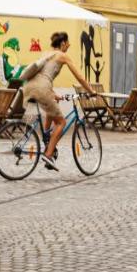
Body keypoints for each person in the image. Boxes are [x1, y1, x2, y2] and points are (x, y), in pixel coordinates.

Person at [22, 31, 97, 171]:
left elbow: (42, 75)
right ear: (63, 43)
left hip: (29, 86)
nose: (68, 46)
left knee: (52, 109)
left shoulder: (46, 53)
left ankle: (46, 139)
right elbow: (80, 77)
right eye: (68, 43)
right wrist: (91, 91)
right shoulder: (62, 56)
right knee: (62, 122)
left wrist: (53, 94)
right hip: (43, 88)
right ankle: (49, 154)